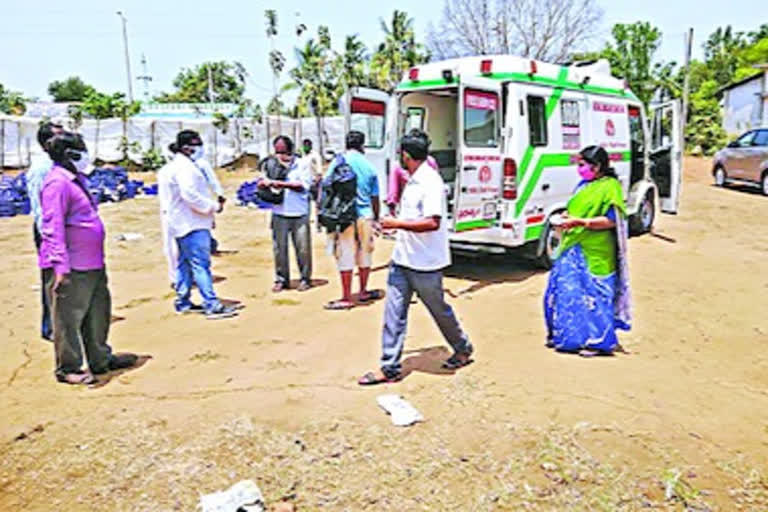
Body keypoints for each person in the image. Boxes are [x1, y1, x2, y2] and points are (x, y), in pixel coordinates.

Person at [358, 129, 473, 385]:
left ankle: (462, 347)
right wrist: (392, 224)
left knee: (438, 309)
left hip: (425, 263)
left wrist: (396, 223)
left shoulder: (430, 183)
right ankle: (389, 366)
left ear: (406, 155)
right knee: (393, 313)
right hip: (402, 259)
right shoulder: (412, 180)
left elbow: (432, 222)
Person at [39, 131, 137, 385]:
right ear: (71, 154)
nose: (86, 156)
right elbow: (51, 227)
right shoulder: (57, 184)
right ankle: (68, 368)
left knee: (97, 313)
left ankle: (100, 358)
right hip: (71, 265)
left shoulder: (75, 180)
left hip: (92, 262)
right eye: (82, 150)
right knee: (68, 320)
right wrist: (60, 266)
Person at [543, 145, 632, 357]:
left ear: (597, 166)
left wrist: (581, 222)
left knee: (595, 297)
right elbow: (575, 208)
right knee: (566, 292)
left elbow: (612, 221)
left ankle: (598, 342)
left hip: (596, 252)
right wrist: (567, 216)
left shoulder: (610, 187)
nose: (579, 168)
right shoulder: (583, 185)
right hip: (572, 246)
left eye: (582, 165)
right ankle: (567, 338)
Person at [161, 130, 238, 319]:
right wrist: (213, 207)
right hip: (191, 223)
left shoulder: (176, 167)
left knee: (184, 264)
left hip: (183, 222)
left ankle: (183, 301)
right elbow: (190, 195)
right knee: (200, 264)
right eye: (197, 144)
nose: (200, 148)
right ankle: (211, 304)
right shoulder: (185, 168)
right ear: (186, 147)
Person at [323, 130, 381, 310]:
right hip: (365, 215)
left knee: (345, 254)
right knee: (365, 253)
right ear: (362, 145)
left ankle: (347, 296)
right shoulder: (369, 166)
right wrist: (376, 218)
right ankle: (363, 291)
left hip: (343, 217)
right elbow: (375, 196)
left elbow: (326, 185)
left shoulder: (338, 161)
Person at [260, 135, 313, 292]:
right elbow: (264, 180)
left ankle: (305, 278)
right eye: (278, 151)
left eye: (283, 151)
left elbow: (303, 186)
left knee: (303, 248)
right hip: (279, 212)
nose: (281, 155)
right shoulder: (271, 164)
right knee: (279, 248)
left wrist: (280, 183)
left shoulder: (302, 164)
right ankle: (282, 279)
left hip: (299, 213)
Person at [26, 121, 63, 341]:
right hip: (48, 232)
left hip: (57, 230)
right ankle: (50, 327)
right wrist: (50, 239)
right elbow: (39, 208)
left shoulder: (58, 164)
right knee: (52, 280)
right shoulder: (41, 168)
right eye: (60, 136)